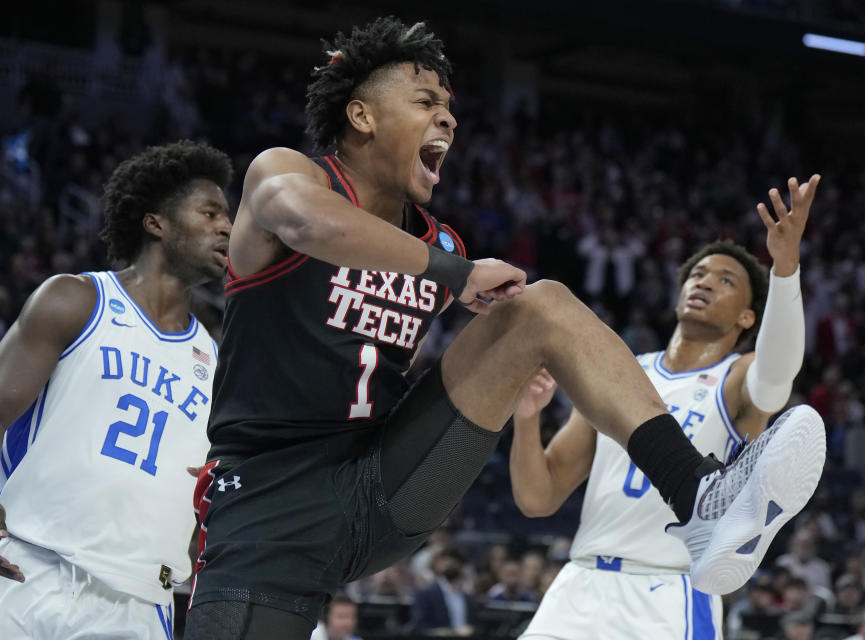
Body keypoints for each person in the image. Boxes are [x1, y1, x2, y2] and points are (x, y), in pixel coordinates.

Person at [183, 17, 826, 640]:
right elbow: (306, 223)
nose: (449, 118)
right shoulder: (286, 173)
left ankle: (699, 496)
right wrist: (456, 274)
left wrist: (511, 356)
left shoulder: (440, 243)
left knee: (541, 306)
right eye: (426, 101)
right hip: (270, 503)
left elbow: (478, 336)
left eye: (450, 107)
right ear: (362, 115)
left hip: (379, 485)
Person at [511, 176, 826, 639]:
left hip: (668, 593)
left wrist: (785, 267)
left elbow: (778, 376)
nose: (704, 282)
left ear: (747, 317)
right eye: (697, 274)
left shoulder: (738, 376)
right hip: (579, 582)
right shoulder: (619, 371)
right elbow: (538, 498)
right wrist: (526, 418)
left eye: (725, 280)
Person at [0, 141, 233, 639]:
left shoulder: (214, 360)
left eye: (226, 216)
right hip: (27, 570)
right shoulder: (76, 300)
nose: (226, 227)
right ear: (156, 222)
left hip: (140, 600)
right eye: (209, 212)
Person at [410, 547, 476, 636]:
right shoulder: (426, 594)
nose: (449, 564)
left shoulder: (468, 597)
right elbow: (420, 627)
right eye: (445, 562)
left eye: (454, 563)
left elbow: (474, 625)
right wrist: (453, 633)